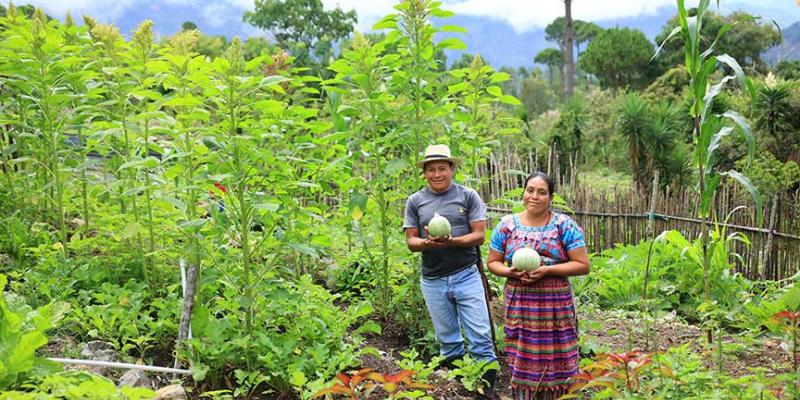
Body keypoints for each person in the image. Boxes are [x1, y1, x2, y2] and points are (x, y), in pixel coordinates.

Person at [487, 172, 590, 400]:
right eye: (530, 190)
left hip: (555, 305)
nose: (534, 196)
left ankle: (560, 396)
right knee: (522, 351)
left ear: (550, 197)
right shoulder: (506, 225)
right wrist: (509, 272)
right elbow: (493, 262)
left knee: (559, 351)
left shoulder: (564, 225)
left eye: (541, 192)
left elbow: (583, 265)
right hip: (521, 305)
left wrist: (547, 270)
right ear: (523, 193)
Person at [403, 144, 497, 383]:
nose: (437, 174)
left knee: (480, 332)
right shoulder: (415, 201)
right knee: (447, 338)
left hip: (466, 274)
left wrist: (452, 240)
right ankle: (458, 385)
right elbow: (411, 241)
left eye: (442, 168)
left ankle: (487, 383)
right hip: (432, 278)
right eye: (431, 169)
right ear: (424, 172)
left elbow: (479, 235)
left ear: (452, 169)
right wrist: (427, 243)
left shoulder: (467, 196)